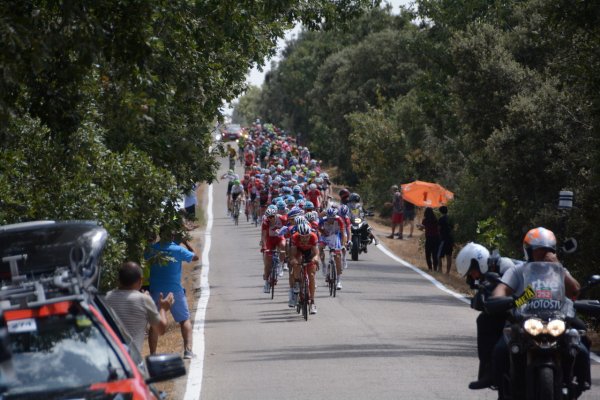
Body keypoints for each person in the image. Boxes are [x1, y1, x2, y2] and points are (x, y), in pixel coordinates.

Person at [490, 227, 590, 393]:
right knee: (501, 349)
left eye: (548, 250)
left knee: (581, 342)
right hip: (524, 321)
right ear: (528, 251)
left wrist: (558, 266)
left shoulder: (559, 270)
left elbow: (574, 290)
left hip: (557, 319)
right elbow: (502, 289)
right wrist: (500, 299)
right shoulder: (517, 270)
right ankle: (502, 385)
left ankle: (579, 382)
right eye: (539, 250)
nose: (544, 254)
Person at [455, 243, 516, 390]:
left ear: (479, 263)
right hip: (514, 310)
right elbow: (482, 298)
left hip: (531, 308)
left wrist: (516, 302)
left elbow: (527, 291)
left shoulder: (506, 266)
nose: (472, 276)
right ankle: (488, 371)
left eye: (472, 271)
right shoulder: (489, 272)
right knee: (483, 319)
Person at [145, 226, 199, 359]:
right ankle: (188, 351)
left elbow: (144, 256)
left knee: (154, 323)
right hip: (175, 291)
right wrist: (186, 243)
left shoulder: (152, 249)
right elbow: (195, 257)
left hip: (156, 290)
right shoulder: (178, 249)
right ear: (172, 237)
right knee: (184, 320)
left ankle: (153, 354)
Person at [105, 262, 175, 356]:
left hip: (109, 358)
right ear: (140, 280)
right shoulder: (144, 300)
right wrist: (163, 308)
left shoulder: (106, 298)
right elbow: (161, 329)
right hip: (131, 362)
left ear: (118, 280)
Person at [290, 222, 320, 314]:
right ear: (299, 235)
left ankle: (312, 302)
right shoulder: (295, 237)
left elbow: (316, 253)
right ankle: (297, 282)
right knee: (296, 262)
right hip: (299, 252)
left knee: (311, 275)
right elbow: (293, 254)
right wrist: (293, 260)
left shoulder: (313, 237)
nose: (304, 239)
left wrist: (315, 258)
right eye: (302, 237)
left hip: (309, 252)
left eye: (306, 236)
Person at [437, 206, 454, 274]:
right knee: (449, 256)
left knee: (439, 255)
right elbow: (453, 228)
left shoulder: (441, 219)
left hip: (443, 239)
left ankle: (440, 269)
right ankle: (447, 272)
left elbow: (438, 228)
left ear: (440, 211)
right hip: (450, 239)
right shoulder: (451, 219)